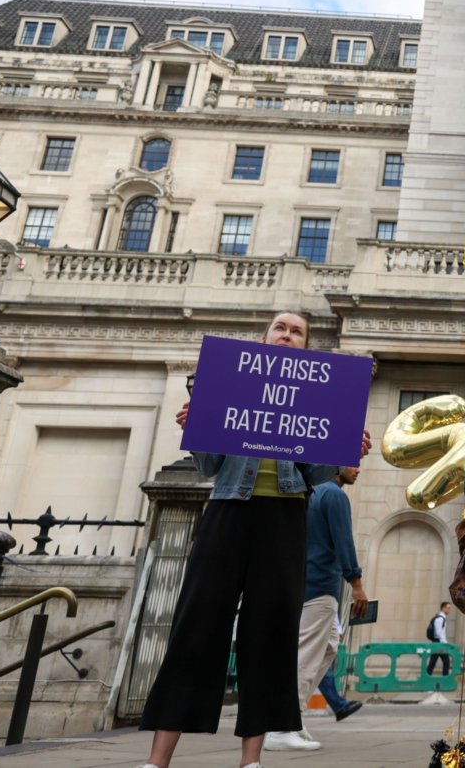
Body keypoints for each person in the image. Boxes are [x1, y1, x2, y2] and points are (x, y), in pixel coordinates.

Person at [137, 311, 372, 768]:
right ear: (263, 340)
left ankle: (251, 761)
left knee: (270, 637)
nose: (287, 335)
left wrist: (344, 449)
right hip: (228, 511)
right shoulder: (232, 384)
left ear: (306, 348)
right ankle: (157, 760)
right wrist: (196, 427)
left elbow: (315, 474)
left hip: (284, 520)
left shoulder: (316, 396)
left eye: (297, 332)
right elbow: (208, 466)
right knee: (196, 629)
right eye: (280, 328)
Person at [265, 458, 370, 752]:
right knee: (306, 656)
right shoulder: (334, 495)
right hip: (320, 585)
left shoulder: (309, 491)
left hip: (302, 582)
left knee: (328, 647)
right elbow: (343, 542)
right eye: (352, 463)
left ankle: (292, 716)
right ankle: (281, 727)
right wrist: (356, 583)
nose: (357, 469)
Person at [427, 602, 453, 676]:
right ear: (443, 608)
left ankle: (428, 677)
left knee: (437, 662)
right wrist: (445, 642)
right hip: (439, 643)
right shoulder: (440, 618)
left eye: (449, 608)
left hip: (438, 642)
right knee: (444, 662)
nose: (449, 610)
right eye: (448, 608)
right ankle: (444, 679)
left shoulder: (441, 618)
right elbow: (439, 632)